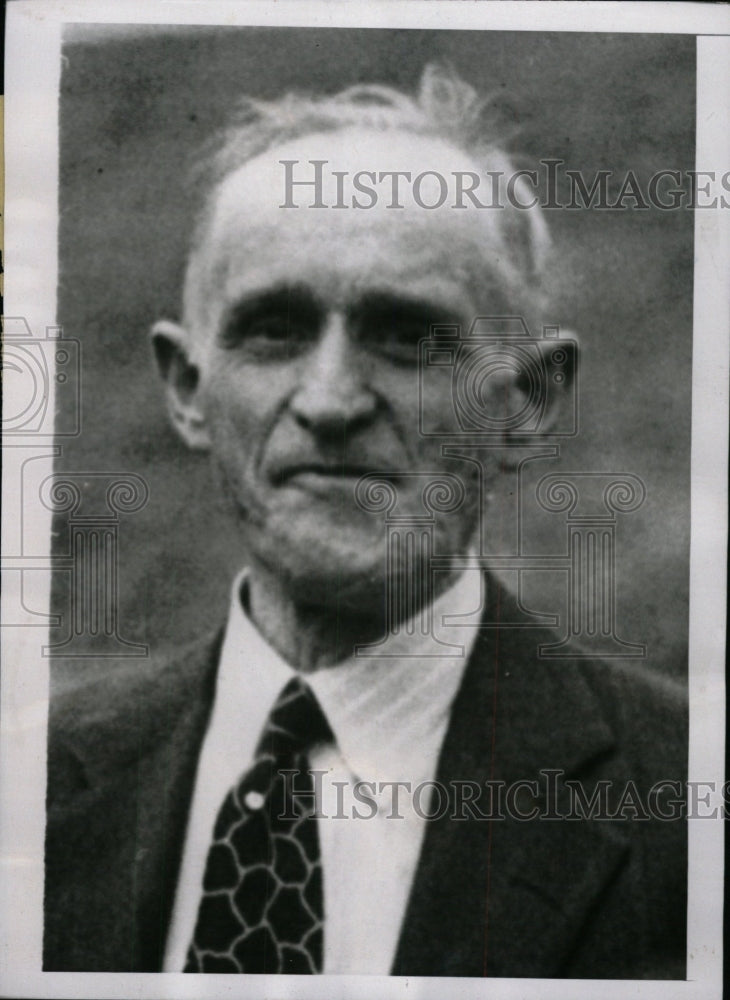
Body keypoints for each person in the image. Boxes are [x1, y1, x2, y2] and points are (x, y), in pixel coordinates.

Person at [44, 65, 687, 978]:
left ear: (529, 401)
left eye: (409, 336)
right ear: (188, 388)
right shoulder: (32, 790)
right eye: (273, 330)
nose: (332, 399)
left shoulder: (684, 810)